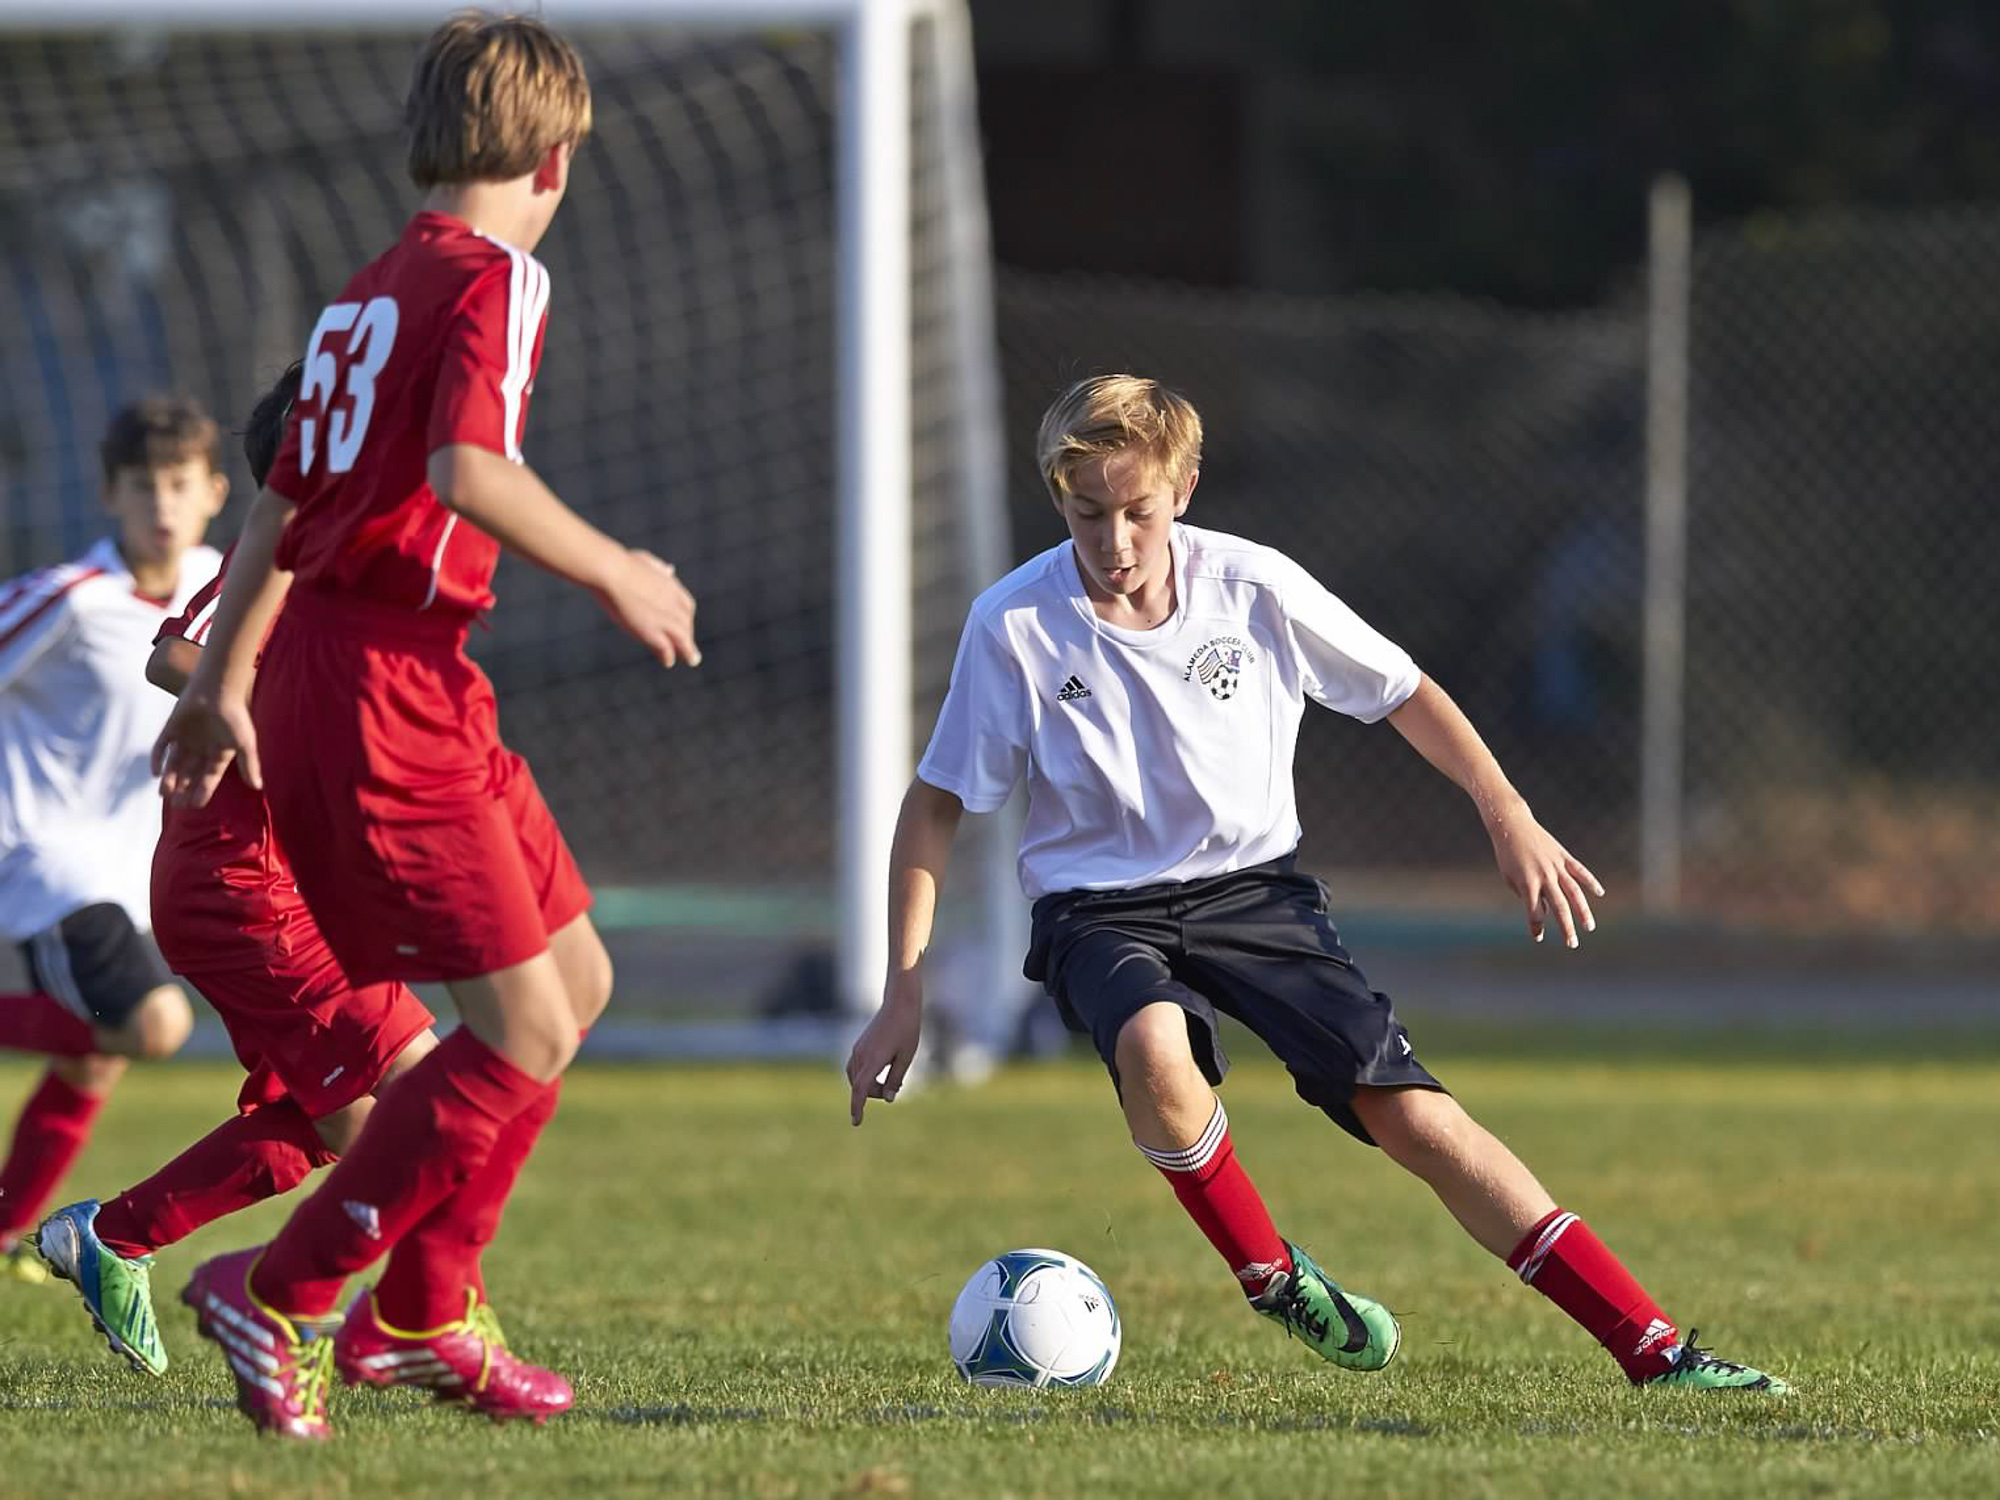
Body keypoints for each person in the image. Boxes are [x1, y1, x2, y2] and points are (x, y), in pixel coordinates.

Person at [846, 373, 1788, 1394]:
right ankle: (1269, 1275)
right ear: (1055, 498)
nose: (1113, 541)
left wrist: (1504, 811)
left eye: (1137, 513)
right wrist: (904, 989)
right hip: (1096, 910)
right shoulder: (1013, 624)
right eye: (1086, 515)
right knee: (1157, 1056)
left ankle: (1655, 1351)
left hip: (1255, 896)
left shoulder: (1252, 589)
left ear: (1185, 488)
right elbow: (934, 802)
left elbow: (1403, 693)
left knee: (1419, 1123)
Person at [151, 12, 699, 1440]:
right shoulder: (498, 279)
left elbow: (282, 505)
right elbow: (468, 467)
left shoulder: (364, 291)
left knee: (570, 989)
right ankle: (284, 1289)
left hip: (393, 671)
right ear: (558, 156)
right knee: (516, 1028)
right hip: (385, 678)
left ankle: (424, 1311)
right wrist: (615, 569)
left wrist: (222, 682)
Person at [37, 364, 441, 1380]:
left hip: (277, 885)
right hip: (237, 885)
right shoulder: (286, 545)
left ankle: (118, 1236)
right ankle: (369, 1321)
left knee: (337, 1120)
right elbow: (176, 658)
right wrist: (281, 704)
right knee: (411, 1102)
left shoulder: (348, 554)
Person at [0, 396, 225, 1278]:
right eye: (142, 486)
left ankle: (8, 1229)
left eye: (179, 485)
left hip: (131, 873)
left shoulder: (223, 588)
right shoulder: (68, 600)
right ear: (109, 494)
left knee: (95, 1057)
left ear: (214, 492)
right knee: (154, 1024)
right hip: (46, 862)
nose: (160, 506)